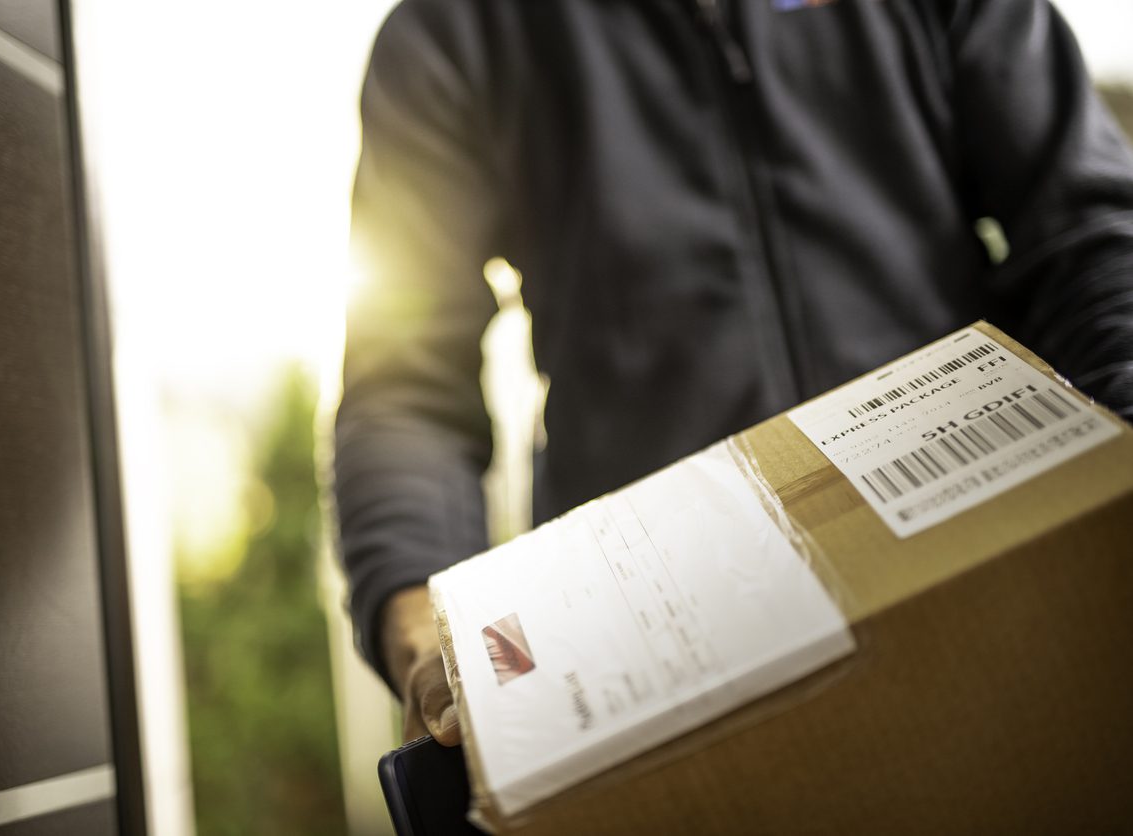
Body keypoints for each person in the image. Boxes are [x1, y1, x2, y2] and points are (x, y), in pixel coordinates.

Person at [332, 0, 1133, 745]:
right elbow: (406, 392)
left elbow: (1087, 235)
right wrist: (423, 623)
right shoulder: (459, 29)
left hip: (992, 583)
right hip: (660, 674)